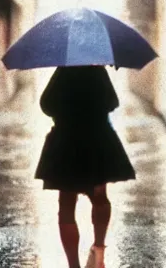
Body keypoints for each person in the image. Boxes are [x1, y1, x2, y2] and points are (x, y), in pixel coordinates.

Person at [34, 65, 136, 268]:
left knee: (66, 206)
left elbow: (46, 104)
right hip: (97, 141)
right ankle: (99, 251)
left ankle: (74, 265)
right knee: (99, 197)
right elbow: (112, 102)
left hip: (66, 142)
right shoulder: (97, 70)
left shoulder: (64, 71)